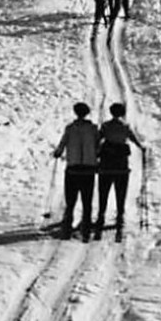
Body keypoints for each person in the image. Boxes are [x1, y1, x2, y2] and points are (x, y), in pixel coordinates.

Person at [94, 103, 145, 241]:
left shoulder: (105, 126)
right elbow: (133, 139)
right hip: (121, 164)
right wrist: (141, 147)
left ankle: (101, 215)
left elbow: (97, 141)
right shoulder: (125, 127)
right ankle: (120, 216)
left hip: (106, 163)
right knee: (120, 191)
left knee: (103, 190)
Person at [53, 102, 100, 241]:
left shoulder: (70, 128)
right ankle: (85, 231)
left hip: (72, 169)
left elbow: (61, 146)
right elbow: (98, 146)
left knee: (71, 200)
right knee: (87, 201)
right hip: (88, 169)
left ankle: (66, 229)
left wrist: (57, 153)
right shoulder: (93, 129)